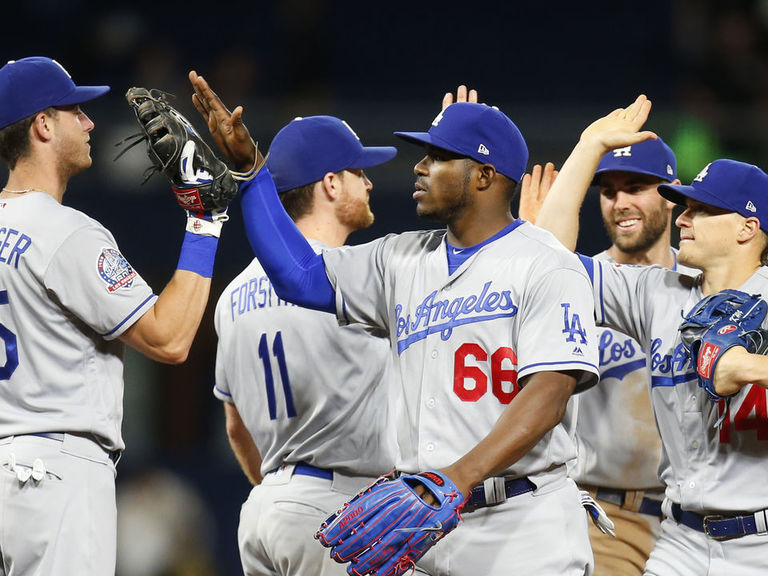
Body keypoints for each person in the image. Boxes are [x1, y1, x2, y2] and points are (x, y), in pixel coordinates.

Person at [190, 72, 601, 575]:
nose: (420, 167)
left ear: (485, 176)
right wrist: (251, 173)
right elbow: (299, 277)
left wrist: (459, 477)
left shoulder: (547, 263)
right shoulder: (399, 259)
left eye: (439, 158)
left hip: (525, 523)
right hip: (426, 527)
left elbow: (549, 393)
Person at [0, 57, 223, 574]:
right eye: (75, 110)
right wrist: (205, 220)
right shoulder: (66, 231)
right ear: (43, 124)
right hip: (54, 474)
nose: (89, 122)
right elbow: (169, 340)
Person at [531, 94, 768, 576]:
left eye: (702, 211)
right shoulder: (656, 293)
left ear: (747, 227)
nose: (682, 219)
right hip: (679, 538)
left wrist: (745, 366)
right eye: (684, 208)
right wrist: (590, 144)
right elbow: (549, 262)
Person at [211, 113, 398, 576]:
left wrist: (282, 495)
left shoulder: (232, 295)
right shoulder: (358, 275)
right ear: (330, 184)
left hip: (265, 507)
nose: (369, 183)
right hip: (340, 507)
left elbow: (236, 428)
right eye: (359, 172)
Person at [521, 138, 697, 575]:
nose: (620, 202)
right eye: (609, 191)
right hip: (607, 515)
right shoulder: (579, 283)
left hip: (698, 516)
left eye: (636, 186)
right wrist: (524, 252)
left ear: (672, 194)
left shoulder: (704, 283)